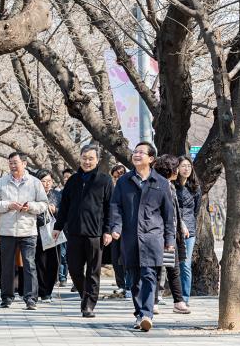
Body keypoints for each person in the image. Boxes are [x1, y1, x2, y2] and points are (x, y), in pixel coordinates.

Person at [110, 141, 175, 332]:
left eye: (141, 152)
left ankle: (147, 314)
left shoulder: (161, 183)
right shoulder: (124, 181)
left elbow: (168, 214)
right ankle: (139, 314)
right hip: (130, 236)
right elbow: (116, 206)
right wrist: (116, 227)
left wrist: (169, 240)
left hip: (152, 236)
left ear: (151, 159)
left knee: (149, 275)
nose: (136, 155)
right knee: (134, 277)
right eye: (135, 152)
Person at [52, 145, 113, 318]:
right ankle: (85, 295)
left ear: (97, 160)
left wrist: (107, 230)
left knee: (93, 271)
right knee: (74, 269)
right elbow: (64, 206)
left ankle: (89, 305)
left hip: (95, 233)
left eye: (91, 158)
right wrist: (58, 227)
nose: (87, 161)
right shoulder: (73, 180)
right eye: (84, 158)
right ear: (80, 158)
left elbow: (110, 208)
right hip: (74, 232)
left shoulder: (104, 180)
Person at [0, 152, 48, 310]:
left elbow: (43, 204)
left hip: (28, 230)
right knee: (7, 265)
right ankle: (7, 297)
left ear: (24, 164)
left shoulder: (34, 182)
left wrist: (31, 207)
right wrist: (8, 205)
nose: (13, 166)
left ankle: (30, 298)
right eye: (10, 163)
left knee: (30, 265)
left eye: (15, 163)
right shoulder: (1, 182)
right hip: (7, 231)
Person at [153, 155, 190, 314]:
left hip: (172, 233)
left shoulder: (171, 185)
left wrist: (181, 224)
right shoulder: (158, 186)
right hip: (160, 233)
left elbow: (174, 211)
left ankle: (178, 301)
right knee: (157, 269)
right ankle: (153, 301)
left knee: (173, 268)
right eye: (176, 167)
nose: (179, 170)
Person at [174, 156, 201, 305]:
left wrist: (188, 223)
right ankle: (175, 295)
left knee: (185, 264)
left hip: (189, 230)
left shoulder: (195, 188)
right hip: (173, 229)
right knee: (172, 263)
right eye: (183, 166)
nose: (186, 169)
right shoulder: (171, 185)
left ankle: (185, 297)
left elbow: (196, 210)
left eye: (188, 166)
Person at [35, 169, 61, 303]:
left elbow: (64, 211)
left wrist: (55, 210)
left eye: (49, 181)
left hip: (53, 232)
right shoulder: (33, 194)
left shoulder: (57, 195)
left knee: (53, 262)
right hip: (37, 232)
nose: (46, 184)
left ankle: (48, 291)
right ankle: (41, 290)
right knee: (40, 262)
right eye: (43, 181)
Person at [110, 164, 130, 298]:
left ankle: (128, 286)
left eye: (120, 175)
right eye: (115, 177)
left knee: (127, 259)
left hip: (128, 229)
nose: (118, 179)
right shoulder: (111, 190)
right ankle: (121, 285)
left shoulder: (130, 189)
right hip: (114, 230)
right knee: (115, 258)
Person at [57, 168, 73, 288]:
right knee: (62, 254)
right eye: (65, 177)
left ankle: (75, 280)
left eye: (69, 177)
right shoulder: (59, 193)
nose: (66, 179)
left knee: (74, 255)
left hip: (74, 228)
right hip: (62, 228)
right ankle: (62, 277)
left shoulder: (79, 192)